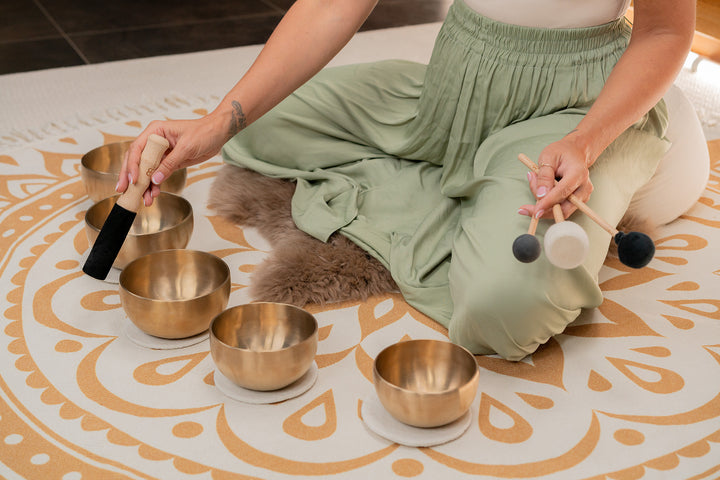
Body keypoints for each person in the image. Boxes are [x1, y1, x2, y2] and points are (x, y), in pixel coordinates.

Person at [117, 0, 696, 361]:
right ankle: (464, 191)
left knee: (504, 313)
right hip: (453, 92)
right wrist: (217, 123)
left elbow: (665, 33)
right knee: (255, 131)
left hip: (574, 111)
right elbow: (331, 4)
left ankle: (495, 203)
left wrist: (584, 142)